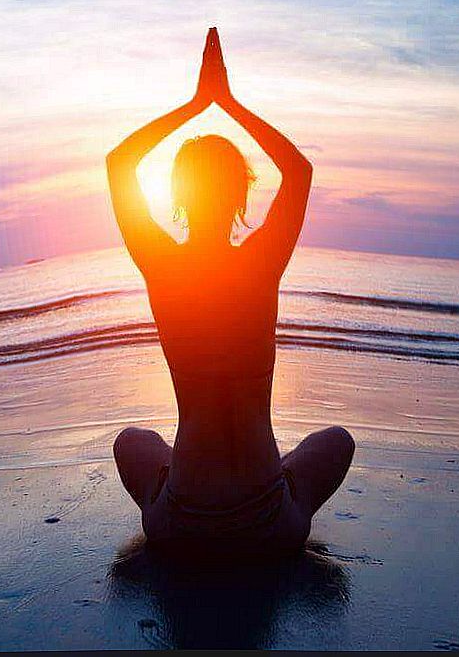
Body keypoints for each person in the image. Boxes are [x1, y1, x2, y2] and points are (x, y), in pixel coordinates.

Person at [106, 27, 355, 556]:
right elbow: (299, 170)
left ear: (177, 196)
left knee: (133, 442)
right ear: (242, 195)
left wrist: (196, 104)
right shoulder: (261, 265)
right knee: (335, 442)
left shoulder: (162, 265)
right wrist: (228, 103)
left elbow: (119, 163)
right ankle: (275, 476)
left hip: (180, 526)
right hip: (268, 527)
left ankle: (175, 486)